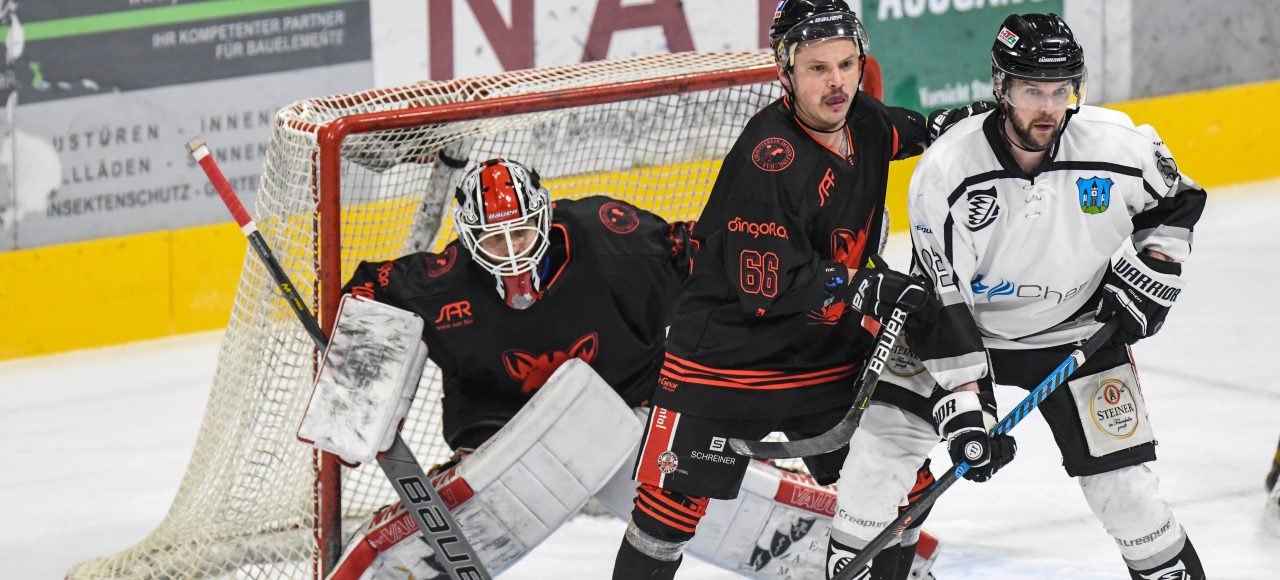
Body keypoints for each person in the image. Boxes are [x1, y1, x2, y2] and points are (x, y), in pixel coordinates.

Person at [846, 12, 1206, 579]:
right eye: (1031, 90)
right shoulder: (945, 171)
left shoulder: (1117, 146)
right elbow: (942, 299)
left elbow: (1178, 201)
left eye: (1060, 90)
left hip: (1076, 331)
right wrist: (965, 406)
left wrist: (1154, 273)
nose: (1047, 107)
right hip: (953, 331)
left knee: (1132, 501)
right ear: (1001, 87)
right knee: (872, 474)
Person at [610, 1, 947, 578]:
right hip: (725, 364)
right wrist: (869, 287)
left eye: (846, 64)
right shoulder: (769, 160)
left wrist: (996, 117)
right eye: (818, 69)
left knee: (901, 485)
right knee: (664, 516)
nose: (837, 82)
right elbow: (771, 288)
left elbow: (916, 131)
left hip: (821, 357)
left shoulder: (863, 119)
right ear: (786, 73)